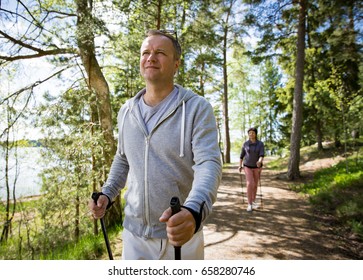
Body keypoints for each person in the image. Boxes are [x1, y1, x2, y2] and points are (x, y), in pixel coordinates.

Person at [89, 29, 222, 260]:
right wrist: (108, 194)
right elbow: (123, 159)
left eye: (160, 52)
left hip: (181, 236)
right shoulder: (126, 111)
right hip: (134, 237)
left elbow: (208, 163)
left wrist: (193, 211)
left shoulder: (197, 108)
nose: (151, 57)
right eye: (145, 52)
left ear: (176, 64)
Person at [238, 127, 264, 212]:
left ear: (256, 134)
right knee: (250, 184)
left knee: (255, 185)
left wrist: (260, 161)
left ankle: (253, 201)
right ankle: (249, 204)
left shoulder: (260, 144)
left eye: (252, 133)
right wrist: (240, 165)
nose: (251, 134)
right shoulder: (245, 144)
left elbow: (261, 155)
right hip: (247, 166)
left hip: (257, 167)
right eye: (249, 133)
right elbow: (241, 156)